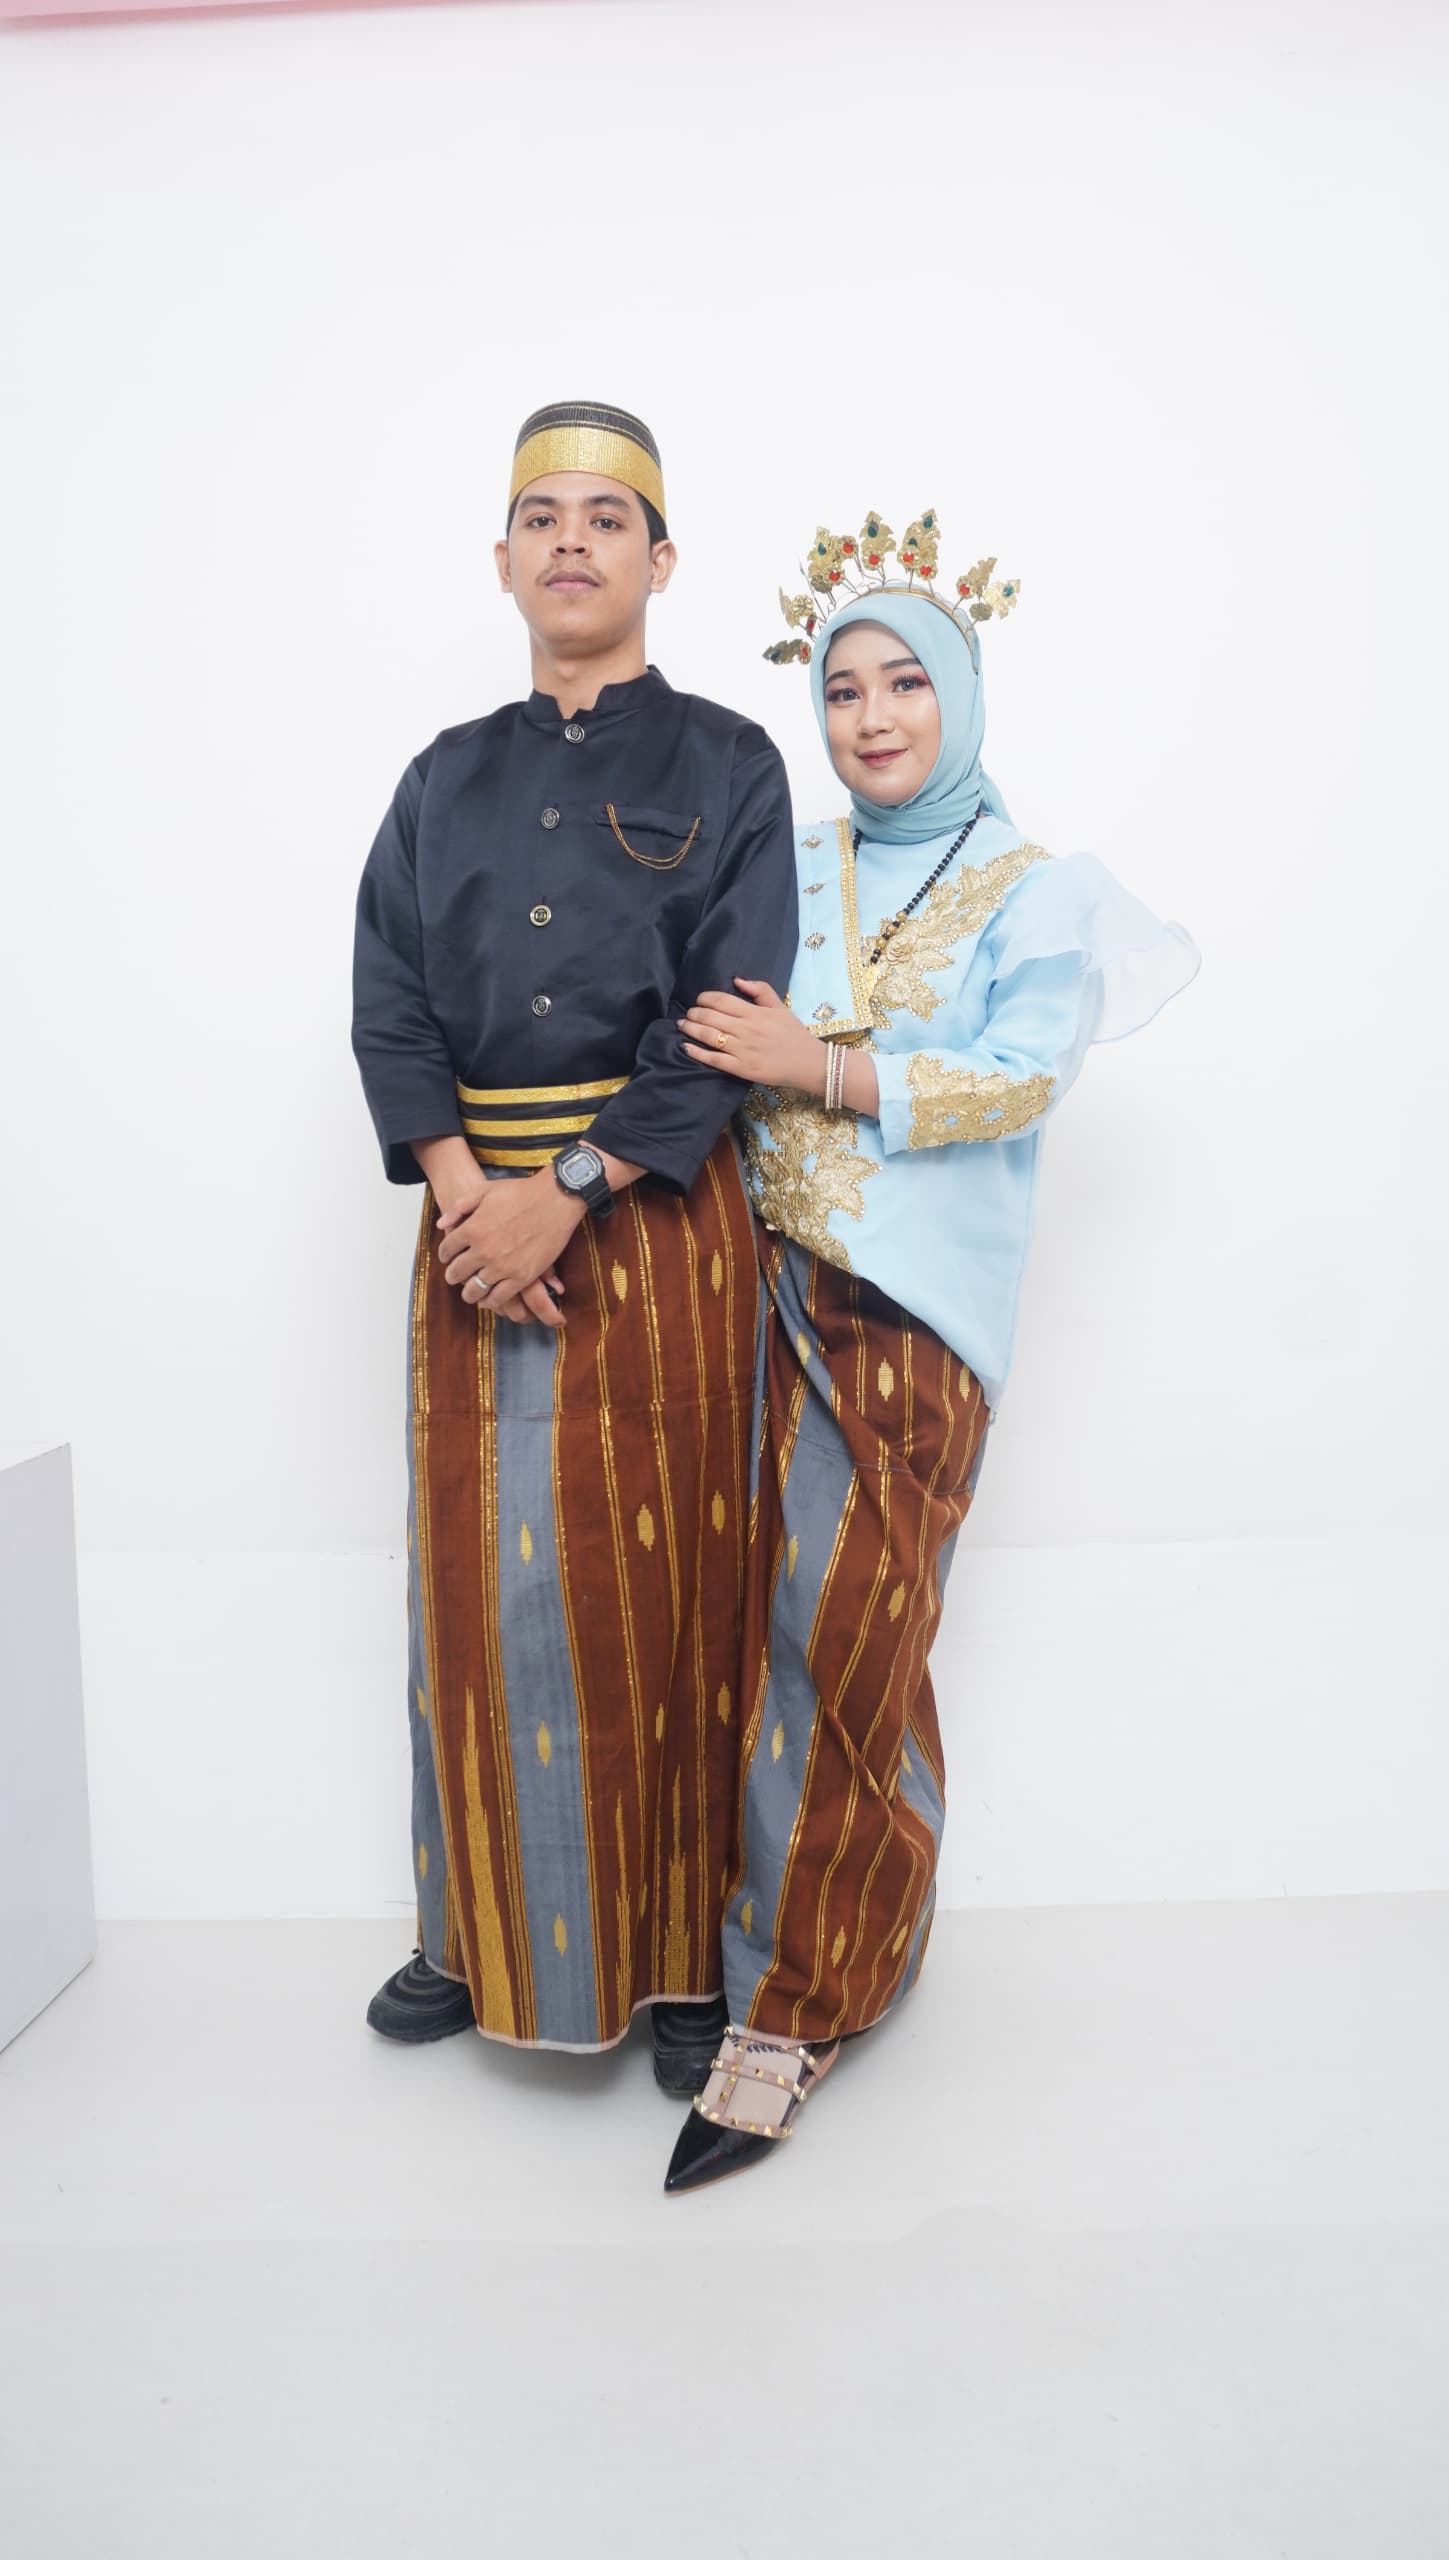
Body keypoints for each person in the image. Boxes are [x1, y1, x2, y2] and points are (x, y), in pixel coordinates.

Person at [664, 514, 1198, 2190]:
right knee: (741, 1626)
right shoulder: (791, 856)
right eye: (842, 691)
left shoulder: (1036, 889)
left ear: (959, 694)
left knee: (847, 1642)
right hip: (739, 1291)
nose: (872, 716)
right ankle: (769, 1942)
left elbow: (1017, 1078)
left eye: (904, 683)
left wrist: (818, 1065)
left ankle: (797, 2005)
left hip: (906, 1325)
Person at [351, 401, 798, 2098]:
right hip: (474, 1225)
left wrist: (574, 1184)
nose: (570, 542)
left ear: (658, 561)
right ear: (501, 561)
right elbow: (390, 1005)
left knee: (667, 1586)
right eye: (540, 515)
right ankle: (470, 1930)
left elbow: (733, 1016)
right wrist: (473, 1198)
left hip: (657, 1226)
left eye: (606, 519)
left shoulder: (730, 764)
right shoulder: (440, 776)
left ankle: (680, 1955)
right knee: (477, 1585)